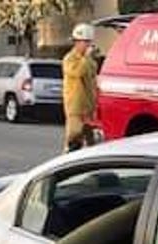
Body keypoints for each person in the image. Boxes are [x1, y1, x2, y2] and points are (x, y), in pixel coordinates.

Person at [62, 22, 98, 153]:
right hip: (75, 108)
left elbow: (93, 78)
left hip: (88, 108)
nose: (88, 46)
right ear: (77, 42)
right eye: (86, 42)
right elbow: (78, 72)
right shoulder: (69, 59)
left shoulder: (89, 61)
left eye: (89, 42)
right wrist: (86, 57)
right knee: (74, 140)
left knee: (91, 143)